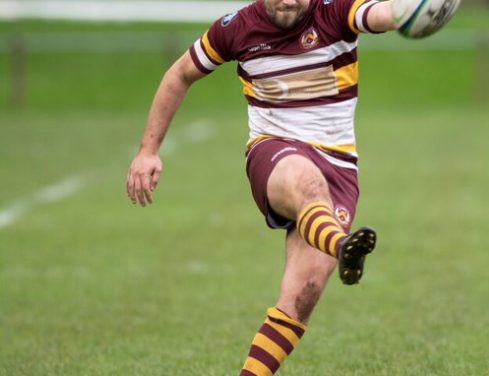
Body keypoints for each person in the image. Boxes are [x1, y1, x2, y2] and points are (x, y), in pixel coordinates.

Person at [126, 0, 402, 373]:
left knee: (303, 295)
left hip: (339, 165)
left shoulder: (336, 10)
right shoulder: (235, 28)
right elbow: (179, 74)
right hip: (273, 150)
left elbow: (383, 14)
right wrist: (148, 151)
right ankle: (340, 245)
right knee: (306, 183)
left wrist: (415, 9)